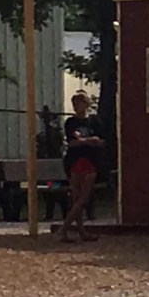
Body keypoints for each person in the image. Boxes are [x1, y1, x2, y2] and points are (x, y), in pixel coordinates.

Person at [58, 90, 103, 243]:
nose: (77, 106)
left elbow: (102, 141)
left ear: (86, 104)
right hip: (75, 160)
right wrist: (88, 140)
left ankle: (66, 229)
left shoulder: (94, 122)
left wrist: (90, 141)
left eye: (80, 102)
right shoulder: (71, 122)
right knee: (77, 198)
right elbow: (72, 142)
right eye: (75, 103)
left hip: (90, 160)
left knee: (83, 199)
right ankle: (77, 230)